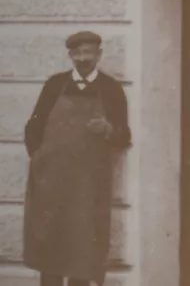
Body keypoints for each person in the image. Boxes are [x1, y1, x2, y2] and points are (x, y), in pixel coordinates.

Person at [23, 31, 131, 286]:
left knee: (83, 250)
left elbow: (124, 136)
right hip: (53, 185)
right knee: (51, 246)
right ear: (70, 56)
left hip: (88, 187)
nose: (83, 59)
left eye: (89, 53)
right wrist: (40, 160)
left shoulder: (111, 89)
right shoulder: (54, 85)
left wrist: (108, 130)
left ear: (99, 55)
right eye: (78, 53)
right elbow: (33, 127)